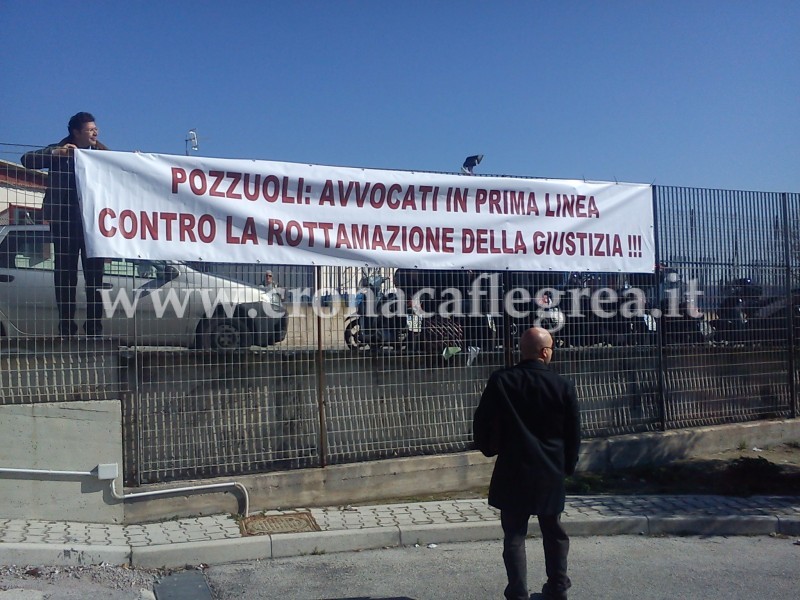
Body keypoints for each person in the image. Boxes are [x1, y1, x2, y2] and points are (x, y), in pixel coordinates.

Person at [473, 327, 581, 600]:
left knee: (514, 535)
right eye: (552, 348)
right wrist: (568, 466)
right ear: (545, 352)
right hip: (550, 470)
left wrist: (489, 448)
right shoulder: (563, 386)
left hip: (513, 469)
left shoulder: (501, 381)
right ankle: (557, 589)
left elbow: (482, 421)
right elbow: (573, 433)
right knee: (554, 533)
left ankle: (517, 593)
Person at [21, 112, 108, 336]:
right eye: (90, 130)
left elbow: (124, 169)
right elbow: (27, 160)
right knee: (65, 276)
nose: (95, 133)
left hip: (93, 225)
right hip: (64, 222)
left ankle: (94, 328)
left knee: (95, 278)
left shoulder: (103, 153)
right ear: (76, 133)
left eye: (95, 129)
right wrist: (55, 153)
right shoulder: (59, 150)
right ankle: (66, 327)